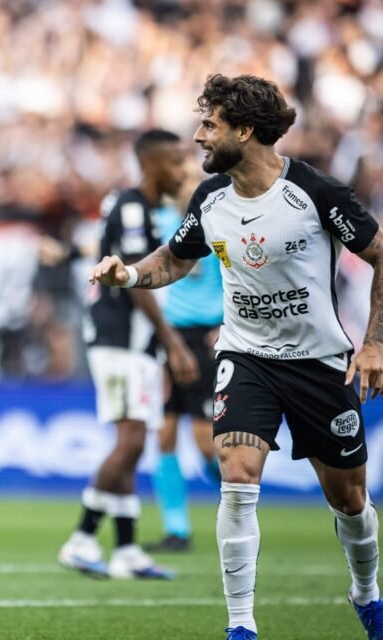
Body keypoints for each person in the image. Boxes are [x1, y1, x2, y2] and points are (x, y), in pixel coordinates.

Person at [91, 73, 383, 640]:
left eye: (209, 125)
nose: (198, 136)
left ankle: (367, 593)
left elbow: (379, 254)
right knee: (237, 474)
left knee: (349, 499)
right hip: (246, 357)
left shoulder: (315, 192)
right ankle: (241, 626)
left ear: (244, 131)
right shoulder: (211, 198)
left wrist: (374, 343)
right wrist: (127, 274)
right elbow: (175, 259)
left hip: (319, 362)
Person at [58, 129, 199, 580]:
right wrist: (173, 342)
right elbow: (135, 283)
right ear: (152, 164)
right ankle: (81, 539)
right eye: (176, 162)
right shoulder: (134, 207)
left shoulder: (137, 207)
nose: (184, 171)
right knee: (132, 441)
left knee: (133, 444)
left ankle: (126, 550)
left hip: (132, 342)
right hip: (121, 338)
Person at [146, 163, 225, 553]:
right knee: (163, 434)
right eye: (181, 183)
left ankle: (237, 500)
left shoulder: (217, 223)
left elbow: (235, 273)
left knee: (204, 442)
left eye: (192, 183)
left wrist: (226, 322)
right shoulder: (161, 221)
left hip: (205, 336)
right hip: (169, 334)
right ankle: (176, 530)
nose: (186, 189)